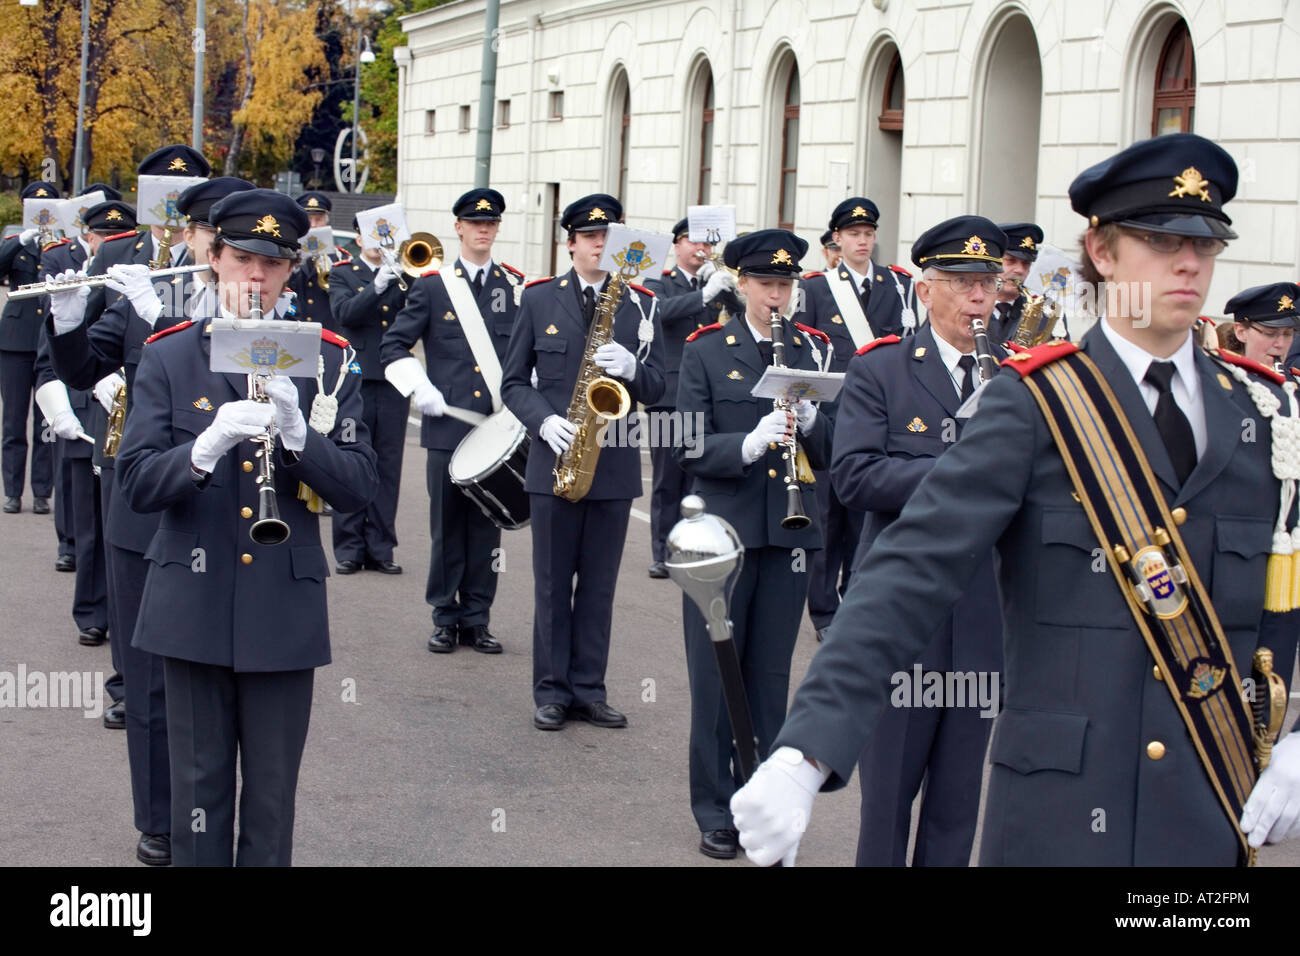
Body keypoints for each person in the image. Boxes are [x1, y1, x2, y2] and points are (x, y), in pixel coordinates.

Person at [732, 132, 1300, 866]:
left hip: (1210, 812)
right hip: (1058, 819)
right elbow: (909, 571)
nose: (1189, 261)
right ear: (1101, 250)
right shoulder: (1034, 402)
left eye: (1205, 240)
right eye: (1160, 239)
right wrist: (805, 753)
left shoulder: (1264, 414)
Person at [113, 189, 378, 866]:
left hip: (282, 607)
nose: (254, 279)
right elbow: (137, 484)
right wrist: (202, 450)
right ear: (213, 261)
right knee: (197, 797)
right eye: (241, 260)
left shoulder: (330, 358)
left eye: (271, 264)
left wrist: (299, 436)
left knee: (270, 800)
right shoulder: (171, 356)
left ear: (291, 271)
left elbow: (357, 490)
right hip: (190, 607)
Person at [47, 178, 253, 865]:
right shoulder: (146, 291)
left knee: (222, 674)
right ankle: (161, 820)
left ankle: (219, 816)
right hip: (146, 510)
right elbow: (80, 369)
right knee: (149, 675)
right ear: (187, 235)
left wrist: (152, 320)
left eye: (214, 236)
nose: (202, 246)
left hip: (235, 514)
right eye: (196, 231)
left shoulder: (261, 299)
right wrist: (73, 315)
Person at [830, 215, 1007, 866]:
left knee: (959, 802)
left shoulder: (1016, 379)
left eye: (987, 283)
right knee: (887, 800)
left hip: (985, 610)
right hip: (903, 613)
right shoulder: (884, 370)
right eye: (962, 283)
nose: (979, 298)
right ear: (926, 290)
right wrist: (958, 469)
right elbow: (854, 477)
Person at [673, 228, 832, 859]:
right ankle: (714, 807)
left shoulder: (812, 348)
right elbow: (688, 443)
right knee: (717, 675)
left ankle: (763, 800)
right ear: (741, 284)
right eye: (767, 283)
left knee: (770, 676)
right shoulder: (707, 351)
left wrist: (818, 424)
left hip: (789, 533)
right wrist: (746, 442)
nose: (778, 294)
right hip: (723, 537)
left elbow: (837, 449)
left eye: (786, 283)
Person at [500, 193, 665, 731]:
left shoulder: (641, 304)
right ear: (570, 243)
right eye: (590, 237)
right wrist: (543, 421)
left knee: (598, 587)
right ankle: (550, 690)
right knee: (551, 583)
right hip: (554, 460)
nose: (600, 244)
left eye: (608, 236)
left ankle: (589, 689)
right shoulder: (539, 300)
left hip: (613, 465)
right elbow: (513, 382)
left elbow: (661, 387)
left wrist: (634, 370)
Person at [382, 187, 522, 652]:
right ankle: (445, 616)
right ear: (458, 227)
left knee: (488, 529)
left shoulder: (515, 288)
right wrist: (419, 386)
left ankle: (477, 617)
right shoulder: (432, 285)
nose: (484, 229)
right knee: (447, 527)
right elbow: (393, 346)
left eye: (491, 223)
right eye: (475, 223)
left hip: (497, 427)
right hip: (447, 427)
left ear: (497, 229)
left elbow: (530, 356)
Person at [798, 198, 917, 641]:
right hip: (834, 418)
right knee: (828, 518)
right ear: (837, 240)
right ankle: (825, 611)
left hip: (882, 417)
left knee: (864, 517)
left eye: (868, 234)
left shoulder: (900, 285)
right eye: (853, 235)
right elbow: (807, 355)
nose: (862, 241)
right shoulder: (815, 289)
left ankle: (858, 600)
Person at [642, 217, 740, 578]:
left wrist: (732, 291)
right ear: (678, 245)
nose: (703, 250)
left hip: (709, 395)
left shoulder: (716, 281)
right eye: (694, 242)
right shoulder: (660, 281)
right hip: (669, 395)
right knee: (668, 479)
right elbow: (660, 313)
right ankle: (662, 552)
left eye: (708, 244)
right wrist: (704, 295)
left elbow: (743, 320)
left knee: (701, 476)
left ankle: (696, 547)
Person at [327, 213, 411, 576]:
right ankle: (348, 546)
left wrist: (404, 278)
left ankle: (381, 546)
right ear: (359, 240)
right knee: (351, 458)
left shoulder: (404, 275)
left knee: (387, 465)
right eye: (374, 238)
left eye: (387, 237)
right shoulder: (343, 273)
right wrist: (376, 286)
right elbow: (345, 314)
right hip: (356, 378)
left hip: (393, 379)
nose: (381, 244)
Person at [0, 181, 60, 514]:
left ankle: (41, 491)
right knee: (13, 421)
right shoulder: (16, 244)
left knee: (46, 422)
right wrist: (19, 241)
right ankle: (12, 490)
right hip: (16, 343)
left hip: (49, 341)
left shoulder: (60, 246)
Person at [290, 191, 349, 334]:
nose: (313, 225)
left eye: (319, 219)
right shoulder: (288, 255)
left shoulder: (341, 257)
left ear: (326, 222)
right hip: (295, 329)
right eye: (309, 219)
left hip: (328, 331)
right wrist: (296, 265)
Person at [989, 221, 1044, 344]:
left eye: (1026, 264)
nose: (1020, 270)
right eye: (1010, 261)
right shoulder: (969, 307)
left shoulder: (1044, 316)